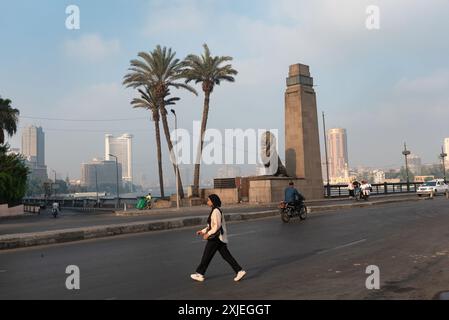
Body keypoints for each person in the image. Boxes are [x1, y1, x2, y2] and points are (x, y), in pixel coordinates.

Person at [191, 194, 246, 282]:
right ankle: (239, 271)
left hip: (216, 238)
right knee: (226, 256)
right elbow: (211, 225)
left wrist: (208, 234)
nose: (207, 202)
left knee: (207, 256)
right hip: (219, 238)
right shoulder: (214, 210)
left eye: (209, 200)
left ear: (213, 201)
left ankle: (200, 274)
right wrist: (203, 231)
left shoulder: (216, 211)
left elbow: (216, 226)